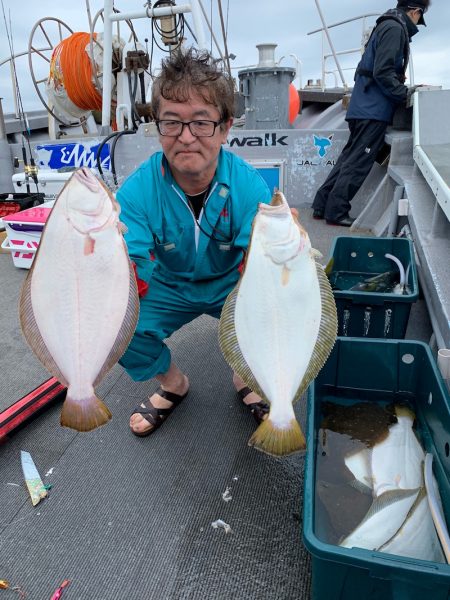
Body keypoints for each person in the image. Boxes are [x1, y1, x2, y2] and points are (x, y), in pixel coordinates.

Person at [116, 48, 273, 436]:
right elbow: (131, 267)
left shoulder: (250, 186)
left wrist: (284, 248)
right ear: (157, 126)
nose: (186, 138)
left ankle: (244, 374)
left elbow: (259, 264)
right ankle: (173, 383)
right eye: (172, 123)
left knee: (272, 315)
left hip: (229, 285)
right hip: (167, 285)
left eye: (201, 123)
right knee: (120, 328)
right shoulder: (135, 192)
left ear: (225, 127)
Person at [311, 0, 430, 227]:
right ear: (415, 12)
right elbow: (383, 72)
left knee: (348, 159)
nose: (417, 23)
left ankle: (321, 204)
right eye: (418, 18)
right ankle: (336, 212)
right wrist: (405, 94)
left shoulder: (386, 25)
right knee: (358, 162)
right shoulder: (395, 29)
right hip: (373, 110)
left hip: (362, 106)